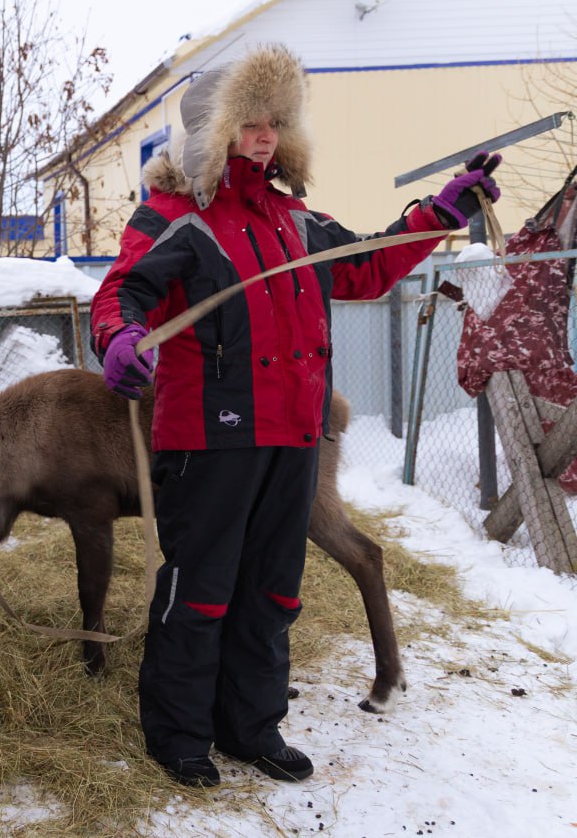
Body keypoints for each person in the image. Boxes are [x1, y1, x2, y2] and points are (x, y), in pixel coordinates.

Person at [89, 43, 501, 788]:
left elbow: (374, 263)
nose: (265, 134)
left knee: (273, 588)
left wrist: (443, 210)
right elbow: (122, 291)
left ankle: (249, 725)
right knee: (202, 587)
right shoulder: (178, 217)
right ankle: (179, 733)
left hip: (292, 436)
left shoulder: (295, 221)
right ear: (214, 129)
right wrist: (118, 337)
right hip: (209, 441)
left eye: (275, 120)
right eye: (249, 120)